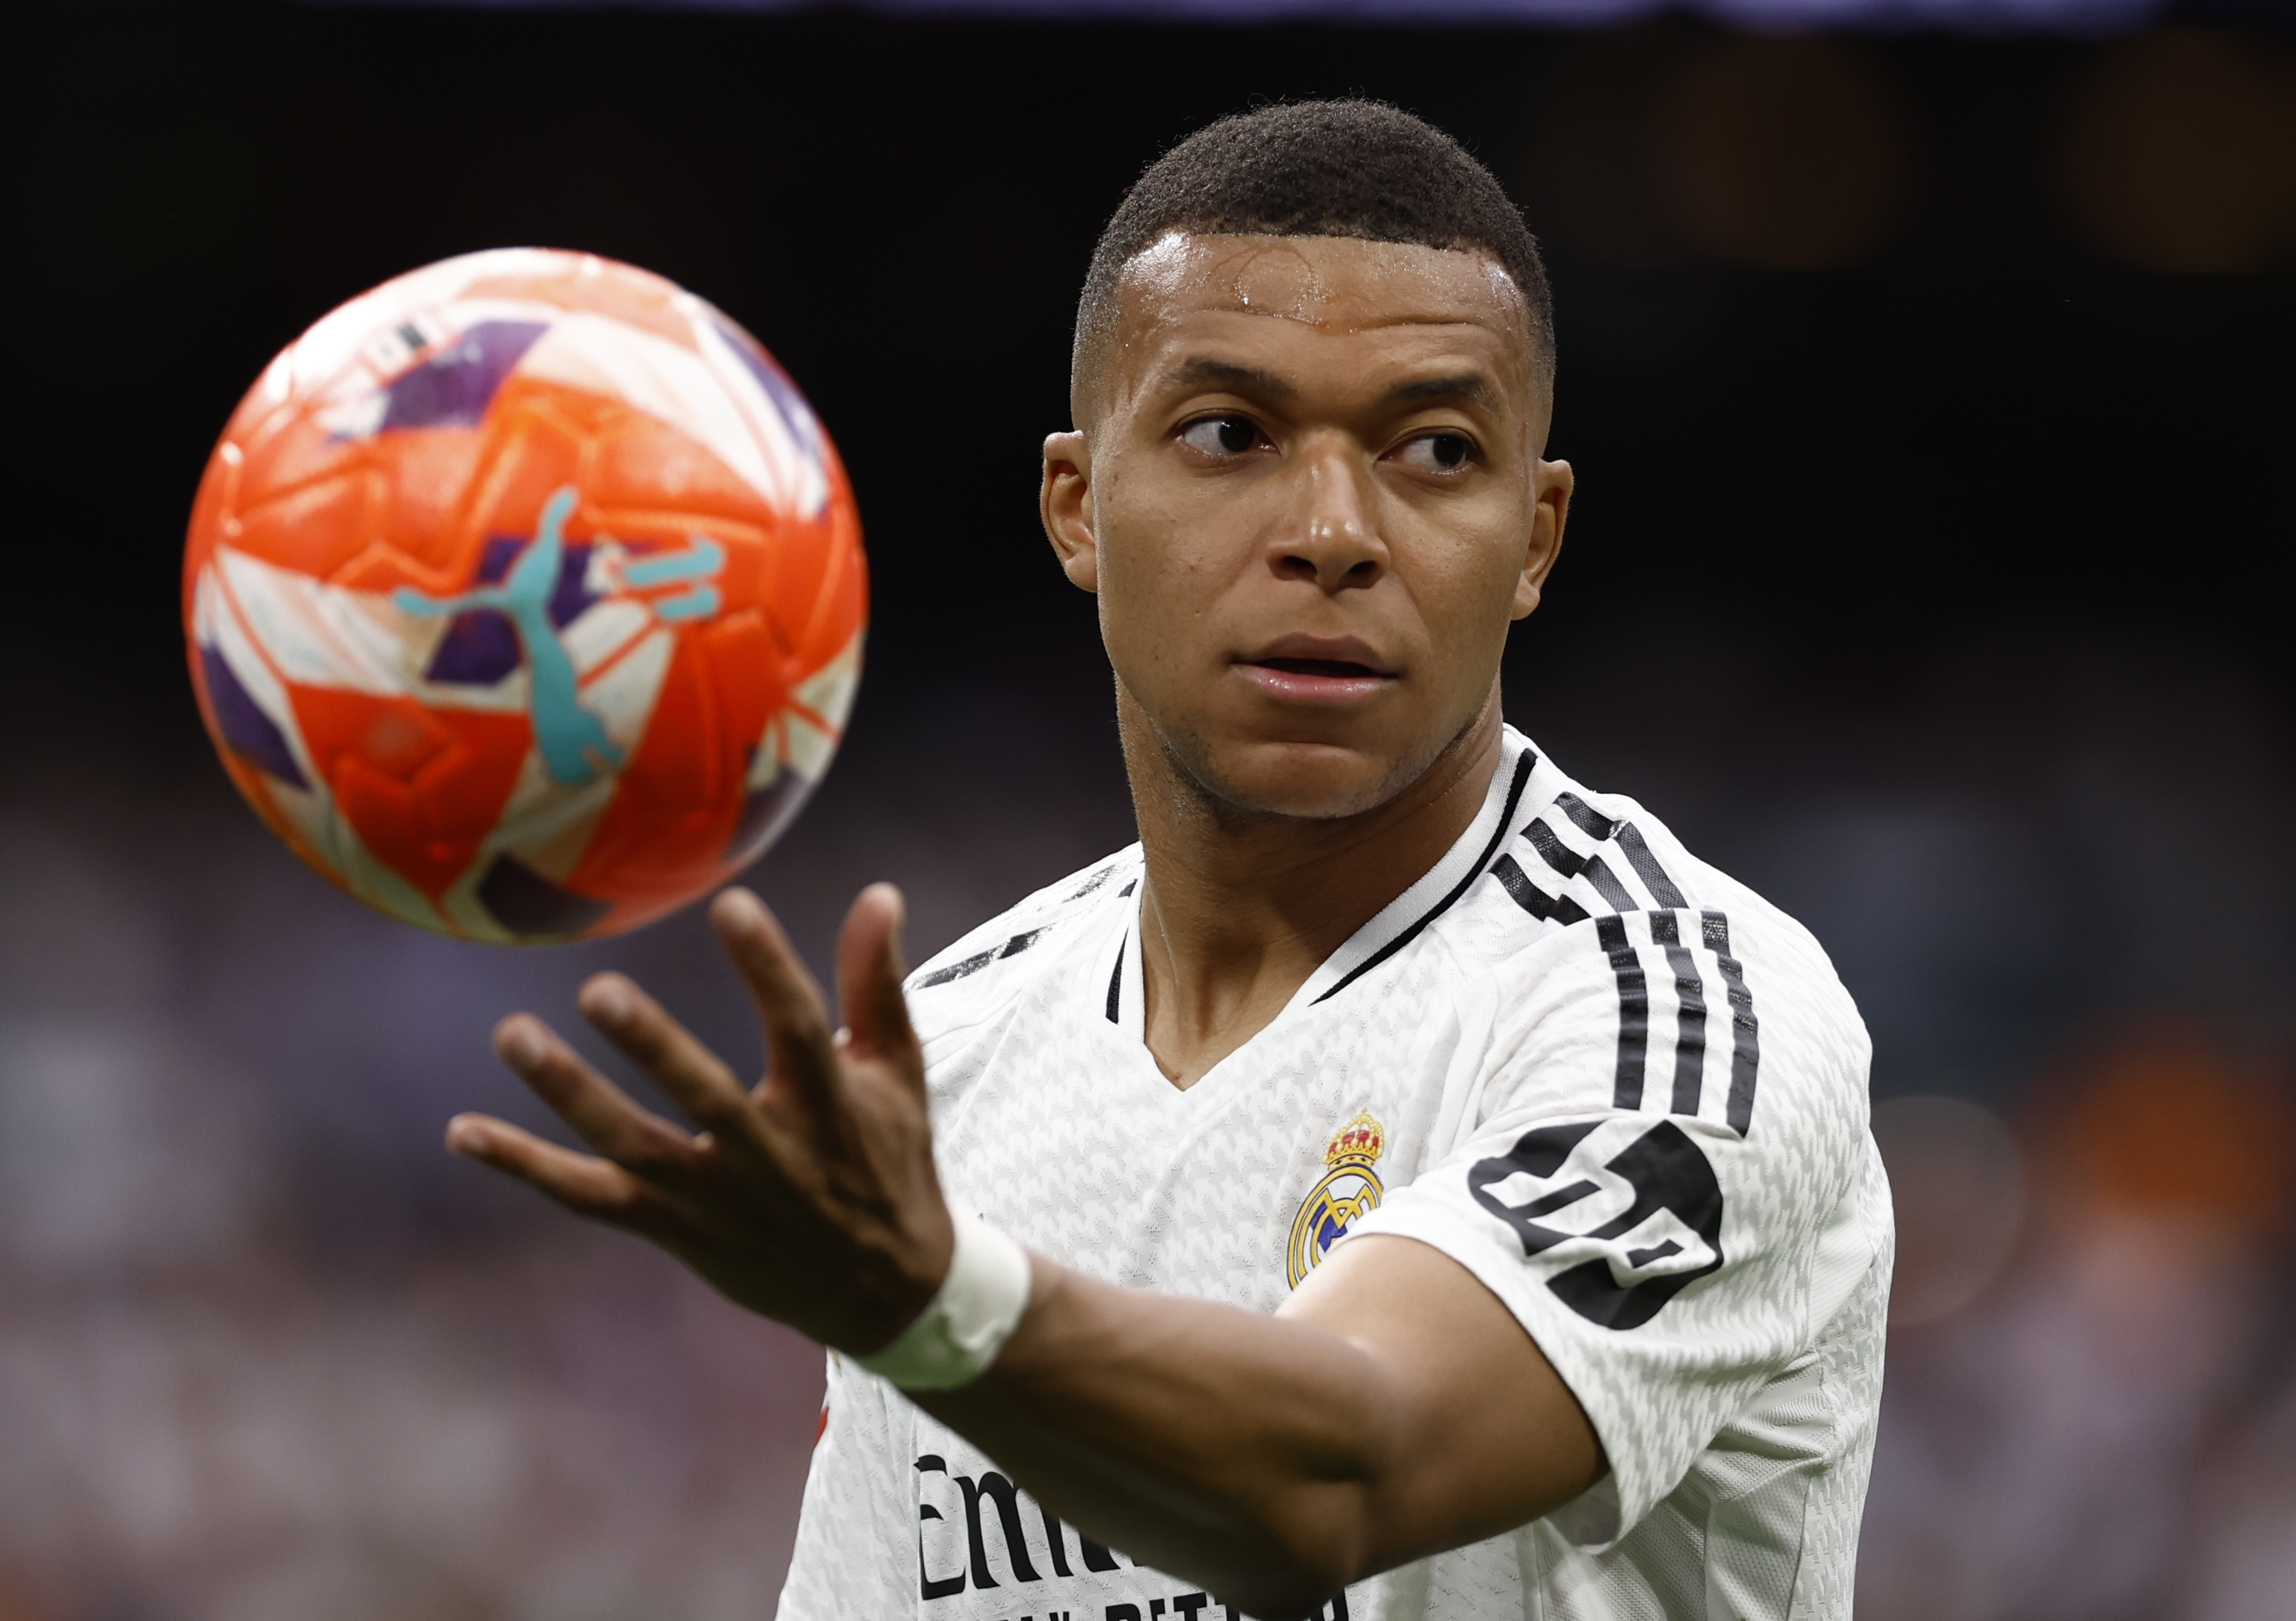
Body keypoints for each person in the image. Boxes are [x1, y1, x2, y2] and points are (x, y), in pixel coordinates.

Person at [443, 100, 1890, 1621]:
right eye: (1229, 435)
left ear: (1533, 538)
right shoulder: (946, 1055)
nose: (1333, 531)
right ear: (1078, 507)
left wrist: (938, 1306)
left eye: (1433, 450)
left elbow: (1340, 1475)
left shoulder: (1682, 1015)